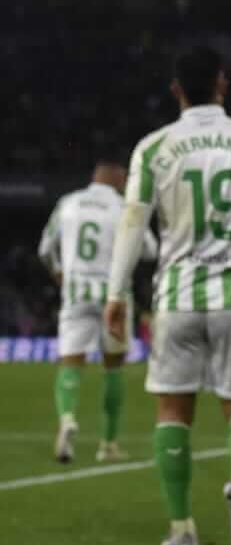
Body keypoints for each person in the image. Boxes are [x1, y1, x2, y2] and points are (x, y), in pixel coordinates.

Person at [104, 47, 231, 545]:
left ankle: (182, 527)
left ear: (176, 89)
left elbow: (133, 224)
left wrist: (116, 293)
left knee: (172, 411)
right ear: (222, 84)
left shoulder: (154, 148)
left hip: (178, 295)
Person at [38, 161, 158, 463]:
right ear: (118, 178)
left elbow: (45, 249)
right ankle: (108, 445)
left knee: (71, 361)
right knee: (113, 367)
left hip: (76, 292)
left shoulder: (68, 202)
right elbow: (149, 249)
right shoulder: (124, 206)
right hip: (113, 296)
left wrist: (59, 273)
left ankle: (67, 417)